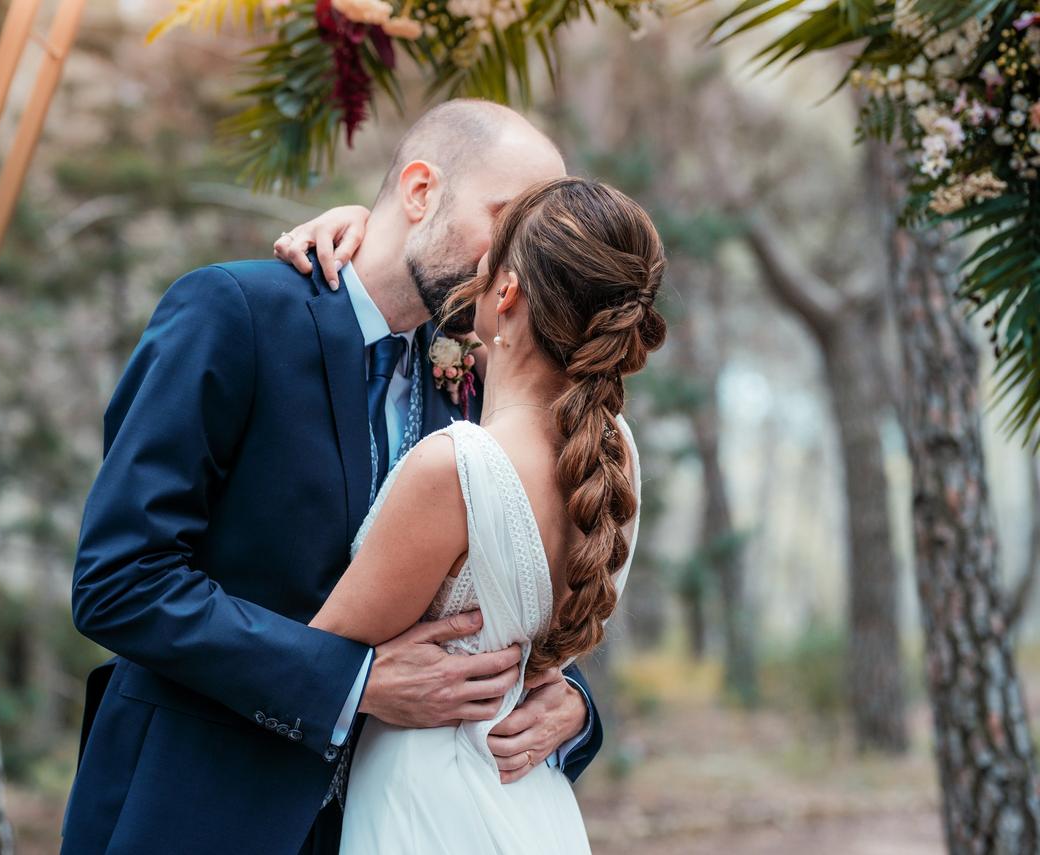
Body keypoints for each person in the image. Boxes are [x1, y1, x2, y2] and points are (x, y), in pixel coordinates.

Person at [60, 99, 606, 855]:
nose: (517, 265)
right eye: (506, 220)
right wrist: (350, 683)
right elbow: (119, 580)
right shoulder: (235, 312)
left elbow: (505, 580)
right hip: (199, 809)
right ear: (420, 192)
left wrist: (570, 706)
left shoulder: (482, 382)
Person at [289, 175, 664, 853]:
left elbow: (311, 665)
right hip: (531, 803)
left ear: (509, 291)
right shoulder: (617, 456)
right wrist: (370, 225)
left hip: (424, 808)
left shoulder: (457, 467)